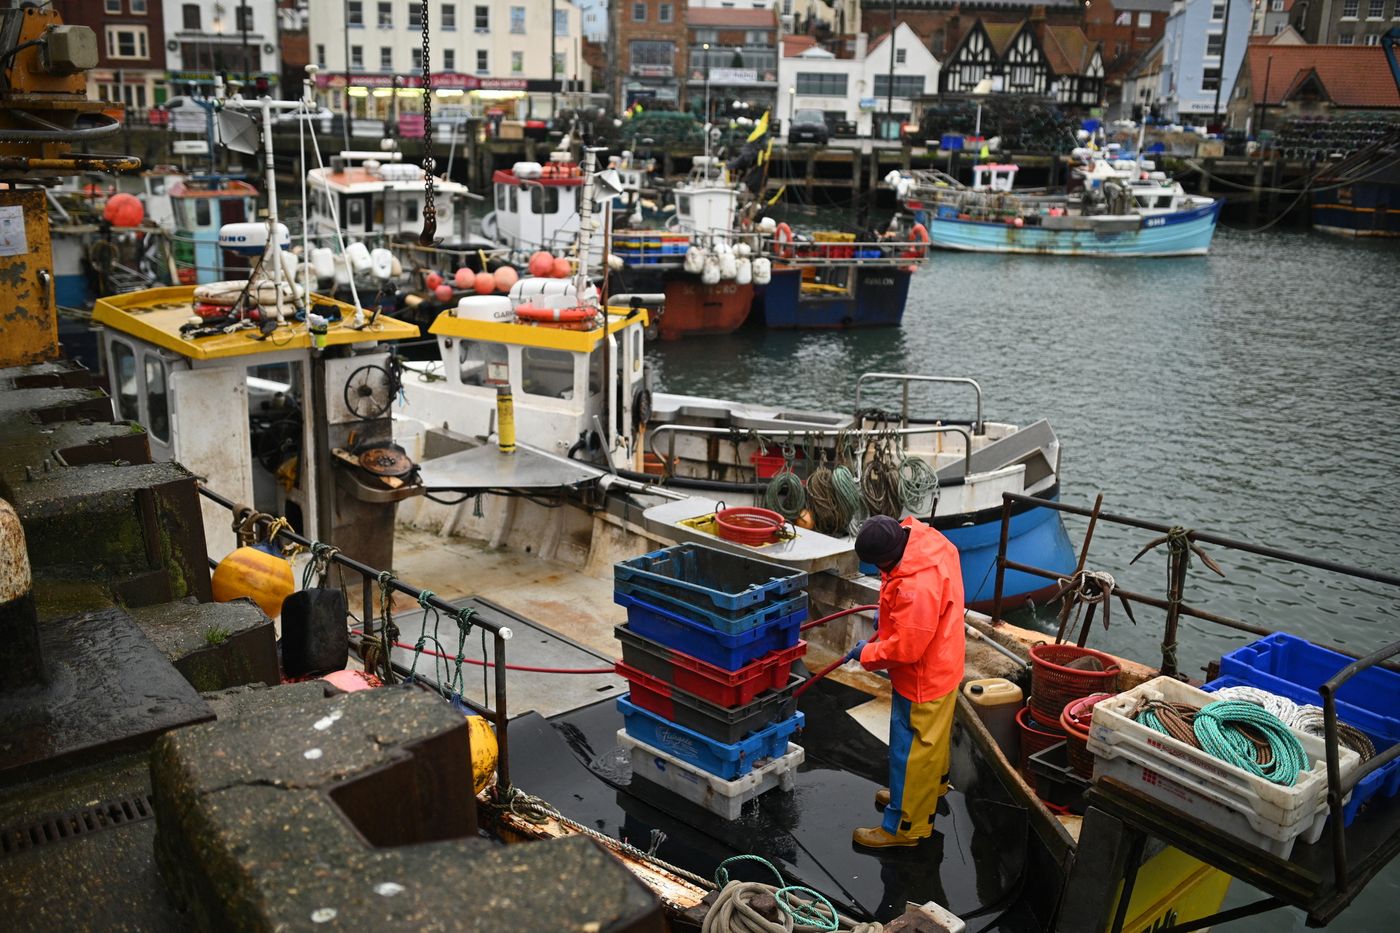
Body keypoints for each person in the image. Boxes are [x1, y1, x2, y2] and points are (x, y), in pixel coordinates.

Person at [845, 514, 965, 850]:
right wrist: (886, 613)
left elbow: (906, 649)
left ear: (886, 557)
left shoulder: (916, 587)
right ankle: (927, 791)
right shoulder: (926, 540)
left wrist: (867, 653)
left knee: (912, 752)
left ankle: (905, 825)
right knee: (933, 743)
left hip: (923, 679)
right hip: (946, 660)